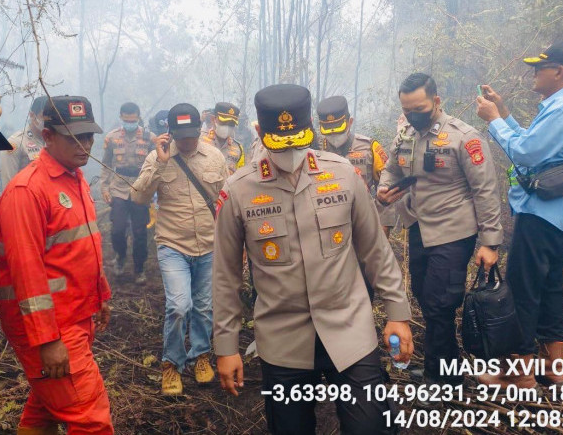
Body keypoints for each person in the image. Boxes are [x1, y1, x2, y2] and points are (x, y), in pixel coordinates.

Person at [213, 84, 413, 434]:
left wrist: (398, 314)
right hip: (283, 340)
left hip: (349, 328)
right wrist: (226, 345)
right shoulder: (239, 191)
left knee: (371, 427)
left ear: (312, 131)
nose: (291, 152)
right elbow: (225, 276)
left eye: (298, 141)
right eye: (280, 143)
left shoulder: (342, 175)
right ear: (260, 133)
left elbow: (375, 251)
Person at [476, 42, 563, 388]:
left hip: (541, 212)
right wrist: (505, 113)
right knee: (549, 287)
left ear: (558, 71)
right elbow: (531, 140)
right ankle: (554, 368)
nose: (533, 72)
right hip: (555, 212)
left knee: (524, 290)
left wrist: (494, 121)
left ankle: (519, 374)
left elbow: (526, 154)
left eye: (539, 67)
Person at [0, 96, 113, 434]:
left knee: (44, 409)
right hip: (49, 328)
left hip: (75, 315)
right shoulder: (26, 191)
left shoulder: (74, 179)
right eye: (74, 137)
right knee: (91, 419)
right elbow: (27, 274)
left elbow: (83, 246)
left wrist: (100, 294)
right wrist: (47, 341)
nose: (85, 145)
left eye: (88, 136)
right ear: (47, 136)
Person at [378, 73, 502, 389]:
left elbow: (485, 189)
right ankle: (448, 370)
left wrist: (490, 241)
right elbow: (391, 168)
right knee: (424, 296)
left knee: (439, 304)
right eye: (407, 110)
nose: (412, 115)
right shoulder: (405, 134)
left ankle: (440, 380)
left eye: (419, 108)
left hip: (454, 232)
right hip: (418, 226)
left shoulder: (464, 137)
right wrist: (384, 190)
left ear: (436, 101)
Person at [132, 103, 227, 395]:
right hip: (173, 245)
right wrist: (160, 164)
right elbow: (138, 196)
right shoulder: (157, 157)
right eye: (181, 135)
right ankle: (171, 364)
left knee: (203, 307)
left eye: (192, 134)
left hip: (210, 245)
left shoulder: (214, 156)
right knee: (178, 306)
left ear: (200, 130)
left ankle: (200, 356)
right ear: (169, 133)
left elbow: (227, 199)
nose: (187, 141)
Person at [316, 95, 396, 237]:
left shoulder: (369, 147)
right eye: (328, 129)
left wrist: (384, 224)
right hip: (327, 226)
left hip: (363, 222)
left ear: (350, 122)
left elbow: (386, 188)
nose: (334, 134)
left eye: (338, 128)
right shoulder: (315, 151)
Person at [101, 102, 155, 282]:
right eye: (126, 120)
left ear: (138, 118)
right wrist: (105, 187)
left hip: (141, 187)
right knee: (117, 229)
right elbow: (106, 164)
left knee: (140, 231)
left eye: (133, 120)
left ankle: (139, 268)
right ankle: (120, 256)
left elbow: (157, 164)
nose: (129, 123)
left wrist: (153, 190)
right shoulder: (112, 137)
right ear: (121, 118)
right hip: (118, 187)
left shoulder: (149, 138)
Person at [0, 96, 46, 188]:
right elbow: (9, 185)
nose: (47, 121)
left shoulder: (54, 142)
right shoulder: (16, 143)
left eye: (51, 117)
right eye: (43, 116)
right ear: (32, 115)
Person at [201, 102, 245, 175]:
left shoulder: (238, 149)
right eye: (224, 122)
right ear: (213, 119)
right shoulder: (200, 141)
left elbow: (239, 176)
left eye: (231, 124)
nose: (227, 126)